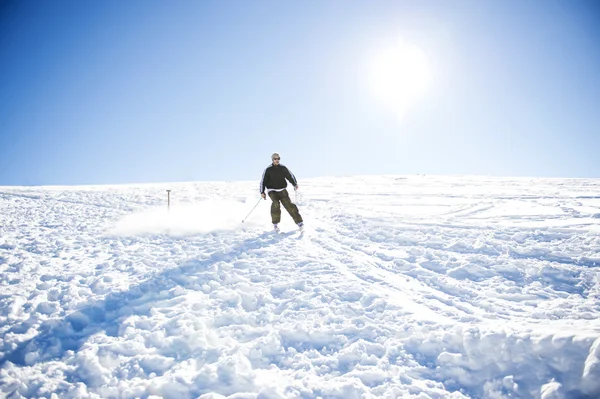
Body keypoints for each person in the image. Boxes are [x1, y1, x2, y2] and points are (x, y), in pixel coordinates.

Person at [259, 153, 304, 232]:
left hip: (282, 189)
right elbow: (263, 181)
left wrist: (294, 184)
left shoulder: (283, 168)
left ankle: (299, 223)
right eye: (275, 159)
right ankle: (275, 224)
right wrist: (262, 192)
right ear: (272, 159)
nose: (277, 160)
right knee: (275, 203)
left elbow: (290, 176)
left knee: (289, 205)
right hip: (272, 190)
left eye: (278, 158)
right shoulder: (268, 169)